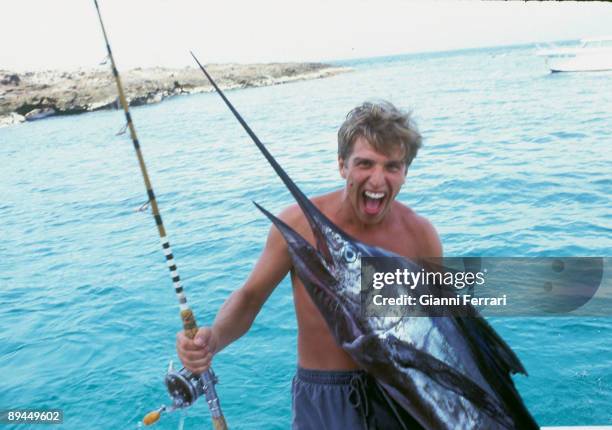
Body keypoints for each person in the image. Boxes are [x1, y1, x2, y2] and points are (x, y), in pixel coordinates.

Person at [176, 100, 442, 429]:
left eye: (392, 166)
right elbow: (249, 299)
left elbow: (443, 326)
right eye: (365, 164)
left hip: (401, 393)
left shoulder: (421, 235)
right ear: (342, 164)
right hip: (324, 397)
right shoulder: (298, 225)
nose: (377, 179)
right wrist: (213, 339)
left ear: (405, 172)